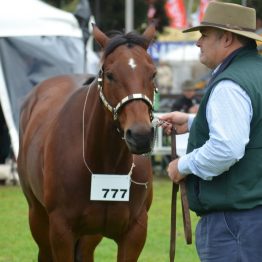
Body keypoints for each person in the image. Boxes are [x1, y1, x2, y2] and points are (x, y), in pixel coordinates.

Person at [159, 2, 262, 262]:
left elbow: (226, 148)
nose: (198, 43)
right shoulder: (255, 73)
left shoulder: (231, 83)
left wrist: (182, 165)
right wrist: (194, 122)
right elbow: (251, 125)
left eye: (204, 35)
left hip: (234, 222)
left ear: (227, 38)